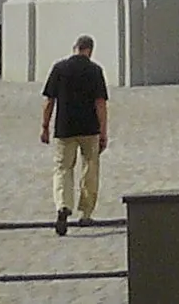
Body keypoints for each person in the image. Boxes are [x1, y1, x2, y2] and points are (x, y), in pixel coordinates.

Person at [39, 35, 108, 234]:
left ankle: (63, 205)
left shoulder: (59, 68)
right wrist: (103, 131)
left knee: (62, 168)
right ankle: (86, 214)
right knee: (90, 169)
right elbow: (100, 103)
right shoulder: (95, 70)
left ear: (75, 48)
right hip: (89, 128)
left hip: (64, 127)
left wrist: (45, 126)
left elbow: (49, 100)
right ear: (90, 50)